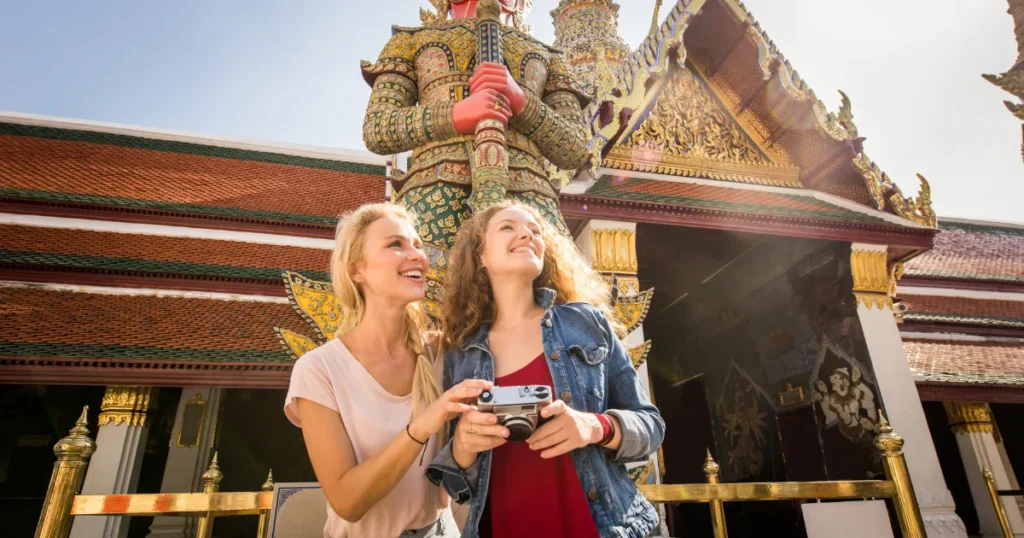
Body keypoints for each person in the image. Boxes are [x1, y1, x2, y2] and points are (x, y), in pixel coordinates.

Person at [426, 202, 665, 538]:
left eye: (535, 230)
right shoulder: (460, 353)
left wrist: (596, 427)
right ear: (480, 256)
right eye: (508, 227)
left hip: (603, 527)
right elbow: (456, 486)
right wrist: (462, 447)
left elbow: (651, 427)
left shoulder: (585, 323)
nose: (527, 234)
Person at [285, 203, 491, 537]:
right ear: (356, 270)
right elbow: (347, 501)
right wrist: (422, 426)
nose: (418, 256)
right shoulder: (319, 369)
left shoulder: (441, 351)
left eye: (418, 245)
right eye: (395, 244)